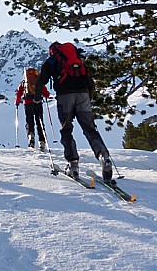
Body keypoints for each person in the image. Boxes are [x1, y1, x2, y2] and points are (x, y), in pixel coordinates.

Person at [34, 42, 114, 183]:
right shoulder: (77, 58)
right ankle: (103, 156)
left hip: (65, 97)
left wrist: (36, 98)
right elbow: (90, 81)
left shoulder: (52, 60)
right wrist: (88, 99)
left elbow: (41, 80)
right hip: (83, 95)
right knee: (90, 129)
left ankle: (73, 164)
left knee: (66, 129)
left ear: (52, 51)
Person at [14, 68, 50, 151]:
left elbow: (19, 92)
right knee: (39, 121)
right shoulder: (38, 81)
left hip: (27, 103)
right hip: (38, 102)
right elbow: (45, 92)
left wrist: (17, 102)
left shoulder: (24, 83)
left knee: (29, 121)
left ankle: (31, 138)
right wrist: (47, 96)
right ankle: (42, 141)